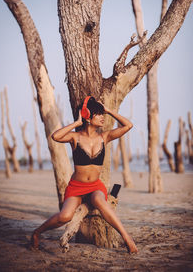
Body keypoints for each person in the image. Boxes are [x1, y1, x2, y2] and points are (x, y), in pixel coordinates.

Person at [31, 96, 138, 253]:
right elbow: (56, 136)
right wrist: (76, 123)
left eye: (103, 114)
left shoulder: (104, 137)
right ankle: (37, 233)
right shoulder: (75, 137)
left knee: (100, 201)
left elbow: (128, 125)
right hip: (76, 187)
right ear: (88, 116)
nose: (103, 117)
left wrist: (108, 110)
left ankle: (127, 238)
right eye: (99, 114)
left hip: (95, 186)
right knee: (65, 216)